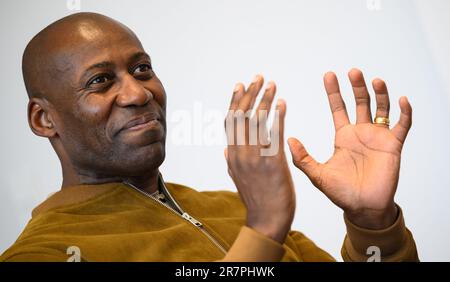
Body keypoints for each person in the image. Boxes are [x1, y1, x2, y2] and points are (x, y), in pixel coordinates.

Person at [0, 12, 418, 262]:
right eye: (101, 80)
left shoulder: (231, 207)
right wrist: (264, 229)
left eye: (142, 69)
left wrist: (373, 224)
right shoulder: (46, 252)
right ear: (43, 119)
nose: (137, 93)